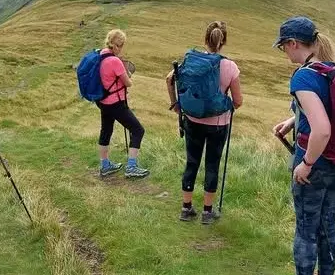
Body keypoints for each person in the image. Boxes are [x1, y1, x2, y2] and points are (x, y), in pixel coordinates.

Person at [271, 16, 335, 275]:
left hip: (315, 165)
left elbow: (322, 129)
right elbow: (328, 110)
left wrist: (306, 164)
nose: (285, 54)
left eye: (283, 48)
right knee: (328, 224)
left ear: (293, 44)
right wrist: (293, 119)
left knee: (306, 228)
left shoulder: (304, 77)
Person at [166, 22, 243, 224]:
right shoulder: (230, 66)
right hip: (218, 124)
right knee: (212, 164)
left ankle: (186, 208)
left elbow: (169, 79)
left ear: (205, 39)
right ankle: (208, 212)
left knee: (192, 162)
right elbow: (238, 101)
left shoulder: (191, 61)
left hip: (192, 119)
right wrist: (223, 103)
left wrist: (176, 105)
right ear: (223, 41)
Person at [96, 29, 150, 178]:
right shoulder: (115, 61)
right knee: (138, 130)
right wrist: (128, 75)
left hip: (103, 102)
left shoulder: (100, 55)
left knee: (105, 130)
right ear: (118, 45)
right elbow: (128, 83)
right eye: (122, 45)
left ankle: (105, 165)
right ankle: (131, 167)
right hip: (116, 103)